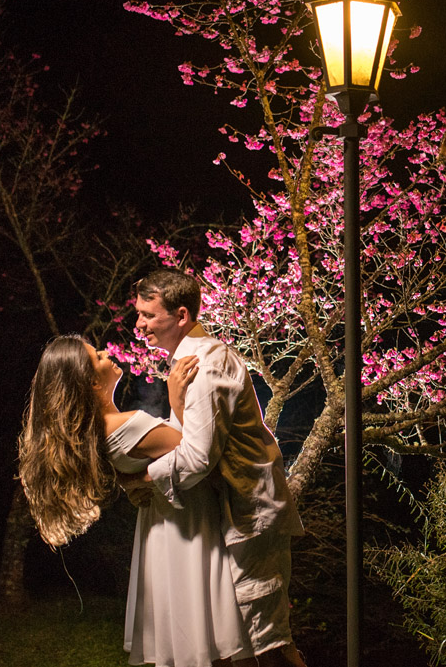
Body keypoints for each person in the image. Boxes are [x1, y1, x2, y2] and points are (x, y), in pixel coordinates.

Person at [18, 334, 255, 667]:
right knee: (221, 644)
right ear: (88, 380)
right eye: (96, 357)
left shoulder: (99, 431)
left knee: (200, 643)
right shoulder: (128, 425)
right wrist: (177, 402)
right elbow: (200, 454)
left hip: (167, 526)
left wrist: (135, 479)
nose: (105, 353)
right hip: (189, 526)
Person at [124, 269, 307, 667]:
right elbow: (196, 439)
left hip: (249, 515)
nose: (138, 324)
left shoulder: (208, 365)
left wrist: (140, 480)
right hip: (230, 513)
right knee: (243, 642)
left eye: (148, 315)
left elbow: (198, 457)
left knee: (270, 645)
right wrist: (174, 403)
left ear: (182, 315)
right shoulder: (190, 362)